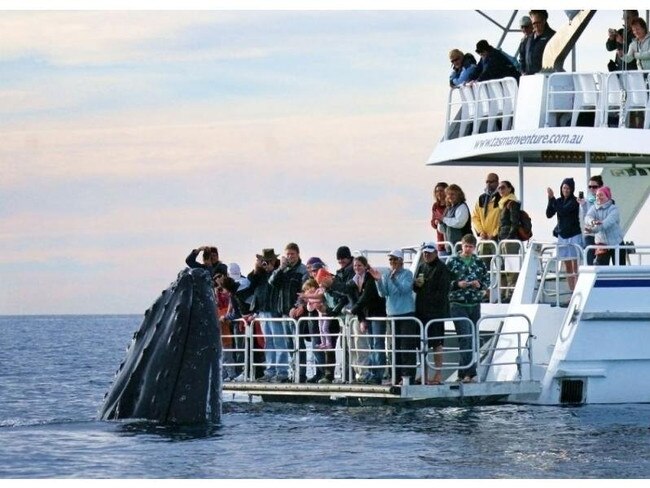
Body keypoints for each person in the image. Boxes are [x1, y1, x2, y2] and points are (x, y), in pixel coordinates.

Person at [369, 249, 417, 385]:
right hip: (392, 314)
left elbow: (405, 289)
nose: (392, 262)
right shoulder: (386, 275)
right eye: (391, 260)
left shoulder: (408, 274)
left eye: (395, 259)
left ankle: (407, 377)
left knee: (406, 347)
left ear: (401, 260)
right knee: (393, 348)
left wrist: (394, 279)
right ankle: (395, 376)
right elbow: (383, 294)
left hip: (406, 314)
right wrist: (378, 281)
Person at [446, 234, 489, 383]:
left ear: (474, 247)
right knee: (465, 337)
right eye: (466, 246)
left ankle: (463, 373)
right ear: (461, 245)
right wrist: (457, 284)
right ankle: (469, 373)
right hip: (458, 304)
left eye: (471, 247)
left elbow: (486, 280)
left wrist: (480, 285)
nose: (468, 249)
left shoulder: (479, 262)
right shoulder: (452, 261)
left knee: (472, 338)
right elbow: (445, 281)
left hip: (474, 304)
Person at [269, 242, 309, 382]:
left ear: (298, 254)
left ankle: (301, 373)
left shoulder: (303, 270)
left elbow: (305, 290)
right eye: (288, 254)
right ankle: (293, 372)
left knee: (299, 343)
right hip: (284, 313)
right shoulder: (283, 270)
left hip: (297, 313)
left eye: (292, 254)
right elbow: (272, 282)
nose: (290, 257)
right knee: (289, 343)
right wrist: (280, 268)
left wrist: (298, 306)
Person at [413, 242, 451, 385]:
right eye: (425, 253)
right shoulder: (422, 267)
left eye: (429, 253)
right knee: (422, 344)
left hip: (436, 313)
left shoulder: (442, 268)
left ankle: (438, 375)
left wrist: (426, 286)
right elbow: (415, 289)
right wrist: (416, 284)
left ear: (436, 253)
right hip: (421, 311)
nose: (426, 255)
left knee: (437, 343)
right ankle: (424, 373)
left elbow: (443, 291)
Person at [246, 248, 286, 382]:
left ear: (274, 260)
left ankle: (281, 371)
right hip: (262, 311)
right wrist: (256, 267)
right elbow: (250, 281)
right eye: (264, 261)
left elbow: (276, 283)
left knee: (278, 341)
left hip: (274, 310)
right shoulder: (259, 274)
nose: (266, 263)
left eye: (268, 261)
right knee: (268, 342)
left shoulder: (280, 271)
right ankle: (270, 371)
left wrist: (273, 270)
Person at [347, 256, 387, 384]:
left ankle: (378, 374)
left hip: (377, 314)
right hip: (368, 315)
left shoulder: (370, 279)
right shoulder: (354, 281)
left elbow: (366, 297)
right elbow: (355, 298)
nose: (357, 268)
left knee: (378, 344)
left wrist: (353, 310)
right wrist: (361, 318)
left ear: (365, 266)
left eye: (359, 265)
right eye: (355, 266)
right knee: (371, 344)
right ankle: (372, 372)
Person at [546, 178, 583, 291]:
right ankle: (572, 290)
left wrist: (553, 199)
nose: (565, 190)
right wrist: (550, 200)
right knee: (567, 265)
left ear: (572, 189)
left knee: (575, 264)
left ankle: (577, 289)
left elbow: (563, 211)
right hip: (562, 236)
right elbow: (549, 214)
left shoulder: (575, 201)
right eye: (564, 188)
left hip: (574, 235)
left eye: (568, 188)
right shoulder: (558, 201)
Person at [585, 186, 626, 266]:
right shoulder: (594, 208)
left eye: (601, 195)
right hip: (602, 244)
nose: (598, 197)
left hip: (616, 243)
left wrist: (593, 230)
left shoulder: (614, 209)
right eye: (597, 195)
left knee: (619, 271)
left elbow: (606, 224)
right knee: (601, 269)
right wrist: (592, 222)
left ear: (607, 196)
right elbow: (587, 217)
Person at [497, 180, 522, 303]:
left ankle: (511, 293)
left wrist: (509, 237)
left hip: (509, 240)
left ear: (509, 189)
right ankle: (504, 292)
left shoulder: (512, 203)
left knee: (511, 268)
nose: (500, 190)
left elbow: (514, 221)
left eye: (503, 187)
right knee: (503, 267)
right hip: (502, 239)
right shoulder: (502, 203)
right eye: (499, 188)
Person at [471, 172, 501, 266]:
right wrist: (481, 232)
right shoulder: (481, 199)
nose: (488, 184)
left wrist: (494, 233)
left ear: (497, 182)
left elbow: (503, 219)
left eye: (491, 182)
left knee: (502, 266)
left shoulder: (502, 198)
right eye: (487, 182)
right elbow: (475, 217)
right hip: (484, 239)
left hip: (498, 239)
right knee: (483, 267)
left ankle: (502, 281)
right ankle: (484, 281)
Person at [437, 183, 472, 249]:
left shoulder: (462, 207)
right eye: (448, 194)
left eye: (453, 194)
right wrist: (440, 222)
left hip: (463, 247)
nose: (450, 196)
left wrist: (443, 219)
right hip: (450, 246)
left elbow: (459, 223)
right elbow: (443, 230)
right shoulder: (448, 209)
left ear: (459, 195)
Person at [579, 175, 604, 265]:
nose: (592, 189)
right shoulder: (586, 201)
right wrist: (583, 205)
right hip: (590, 234)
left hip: (602, 236)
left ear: (600, 187)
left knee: (602, 263)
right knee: (588, 259)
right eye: (590, 187)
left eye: (594, 187)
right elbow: (586, 217)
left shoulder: (606, 200)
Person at [523, 10, 555, 75]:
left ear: (544, 21)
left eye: (538, 22)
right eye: (534, 23)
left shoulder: (553, 37)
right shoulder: (528, 39)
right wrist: (523, 71)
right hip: (529, 78)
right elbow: (522, 56)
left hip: (546, 77)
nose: (536, 25)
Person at [430, 182, 449, 253]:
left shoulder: (451, 204)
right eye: (437, 191)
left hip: (452, 241)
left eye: (441, 191)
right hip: (441, 242)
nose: (439, 193)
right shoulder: (435, 206)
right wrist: (435, 222)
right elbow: (432, 222)